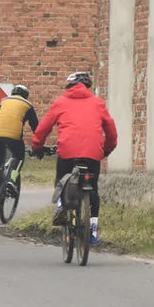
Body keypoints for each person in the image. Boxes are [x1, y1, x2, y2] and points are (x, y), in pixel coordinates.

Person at [30, 72, 118, 245]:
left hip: (68, 151)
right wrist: (106, 150)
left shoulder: (60, 103)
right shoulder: (98, 103)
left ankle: (62, 206)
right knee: (92, 188)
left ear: (68, 86)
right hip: (93, 152)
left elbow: (43, 128)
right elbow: (111, 131)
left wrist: (37, 147)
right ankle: (93, 231)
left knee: (61, 180)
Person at [0, 84, 39, 189]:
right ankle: (12, 179)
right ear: (26, 95)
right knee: (19, 158)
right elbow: (35, 127)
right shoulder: (27, 105)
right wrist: (38, 145)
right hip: (14, 137)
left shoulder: (3, 102)